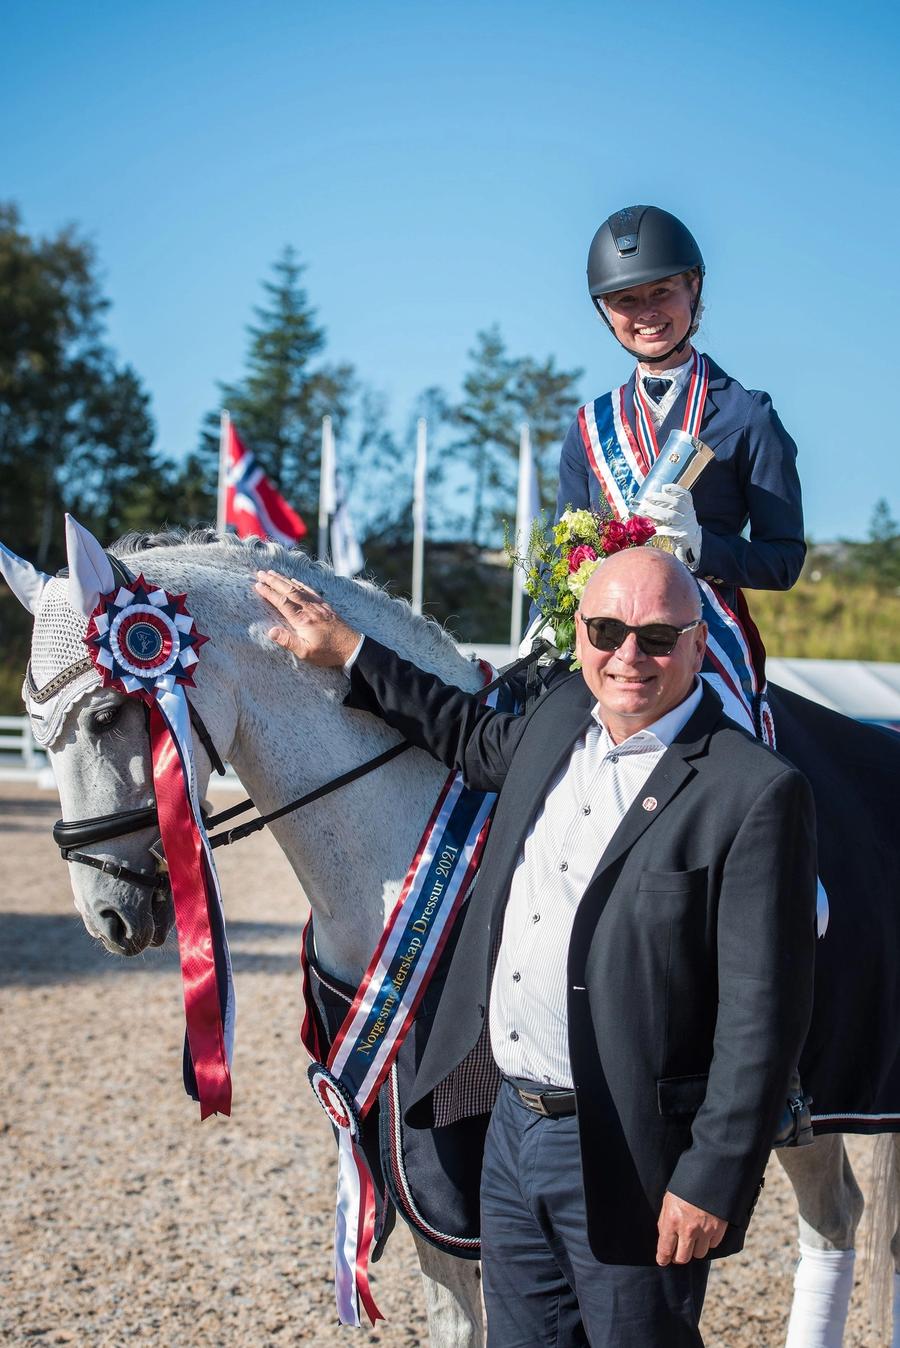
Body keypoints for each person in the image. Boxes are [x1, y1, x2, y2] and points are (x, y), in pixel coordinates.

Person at [254, 547, 817, 1348]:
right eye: (607, 630)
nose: (628, 656)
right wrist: (348, 649)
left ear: (698, 645)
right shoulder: (561, 715)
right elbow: (464, 733)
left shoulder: (753, 790)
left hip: (633, 1153)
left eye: (658, 638)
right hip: (513, 1129)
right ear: (581, 633)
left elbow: (764, 1017)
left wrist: (713, 1178)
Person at [553, 204, 806, 738]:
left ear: (694, 288)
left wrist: (700, 545)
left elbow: (783, 561)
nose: (646, 312)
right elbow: (562, 557)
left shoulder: (747, 415)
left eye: (662, 291)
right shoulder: (590, 426)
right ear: (605, 311)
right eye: (626, 300)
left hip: (702, 645)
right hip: (606, 648)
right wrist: (544, 620)